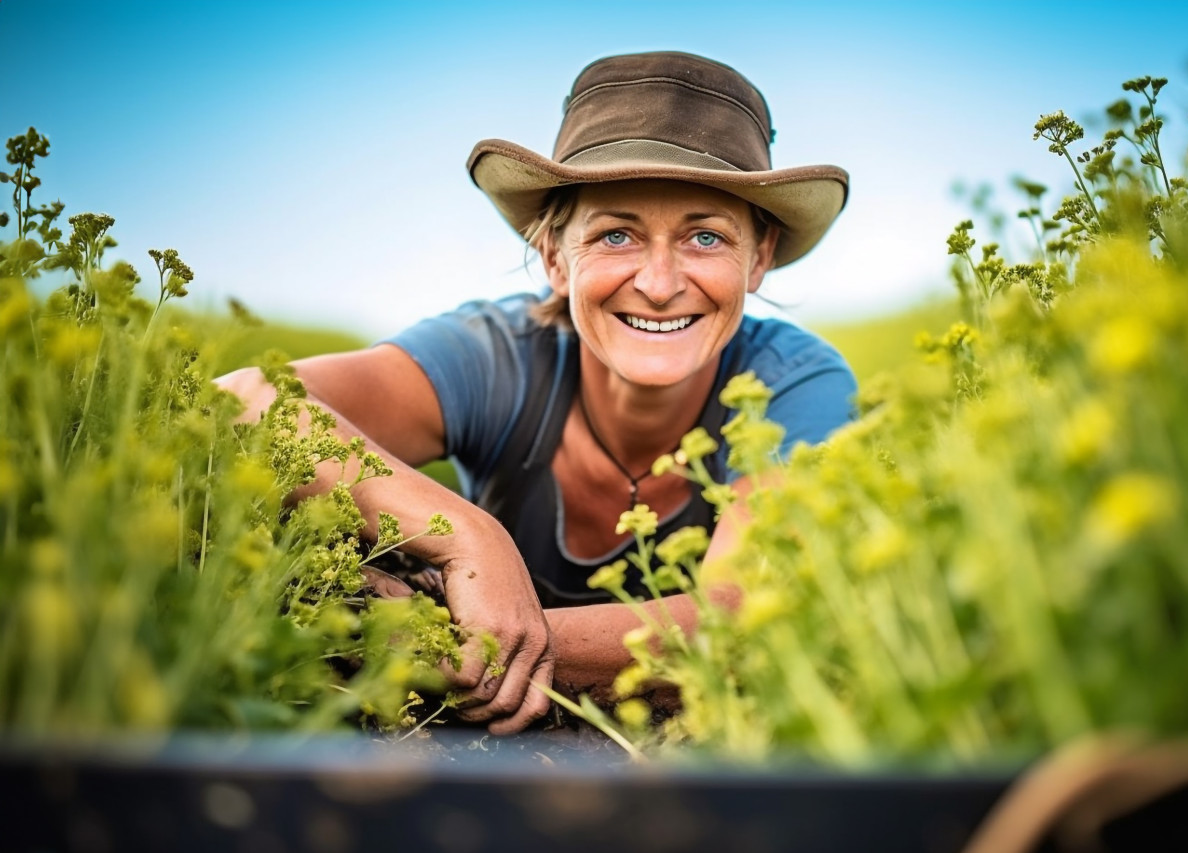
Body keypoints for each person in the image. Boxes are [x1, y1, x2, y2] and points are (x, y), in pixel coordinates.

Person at [217, 50, 856, 734]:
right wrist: (468, 535)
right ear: (554, 257)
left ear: (757, 258)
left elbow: (747, 616)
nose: (662, 282)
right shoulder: (494, 356)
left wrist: (448, 642)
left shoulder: (793, 383)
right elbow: (237, 405)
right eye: (616, 234)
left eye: (705, 236)